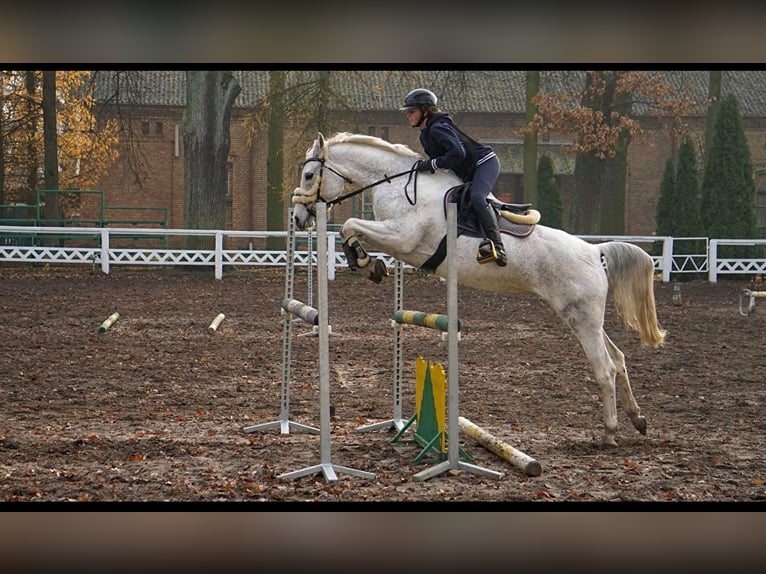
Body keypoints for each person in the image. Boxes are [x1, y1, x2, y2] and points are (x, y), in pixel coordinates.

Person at [400, 88, 507, 266]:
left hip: (484, 163)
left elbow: (458, 154)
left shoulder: (437, 128)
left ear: (425, 111)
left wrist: (432, 164)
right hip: (468, 171)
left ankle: (498, 246)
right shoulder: (426, 133)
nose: (408, 116)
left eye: (412, 112)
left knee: (477, 197)